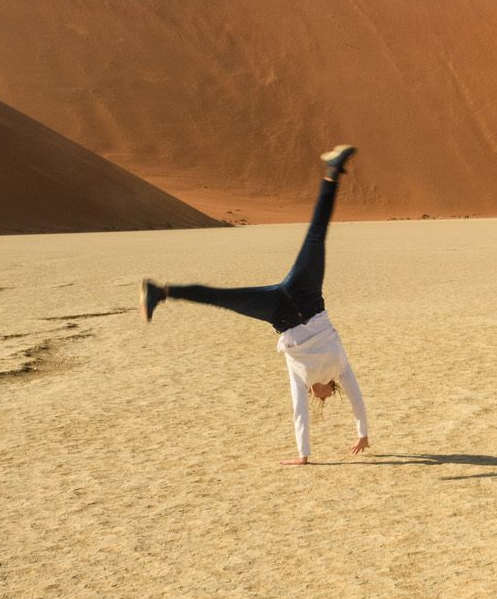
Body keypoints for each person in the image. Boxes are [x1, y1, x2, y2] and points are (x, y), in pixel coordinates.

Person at [140, 145, 369, 465]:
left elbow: (298, 408)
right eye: (327, 395)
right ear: (329, 387)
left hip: (280, 312)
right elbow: (354, 396)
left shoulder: (303, 378)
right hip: (308, 299)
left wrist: (305, 455)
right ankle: (332, 173)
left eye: (322, 398)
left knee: (221, 298)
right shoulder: (338, 368)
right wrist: (363, 432)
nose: (323, 398)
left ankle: (160, 292)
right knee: (316, 236)